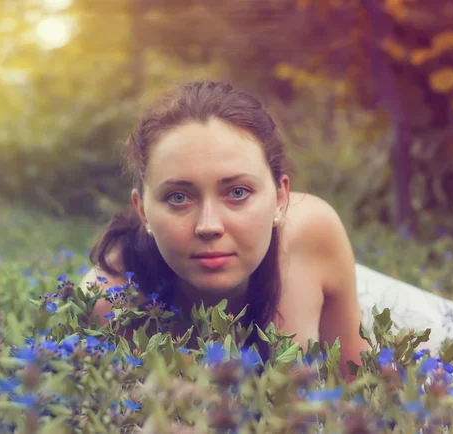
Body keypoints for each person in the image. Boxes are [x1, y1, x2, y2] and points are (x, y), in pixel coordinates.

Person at [80, 79, 370, 378]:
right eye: (178, 197)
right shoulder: (108, 304)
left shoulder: (313, 233)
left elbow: (363, 389)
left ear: (280, 198)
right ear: (143, 210)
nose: (209, 226)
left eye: (237, 192)